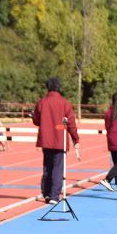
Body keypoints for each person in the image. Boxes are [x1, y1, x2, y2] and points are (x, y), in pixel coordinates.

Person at [32, 77, 80, 205]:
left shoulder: (42, 102)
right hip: (60, 140)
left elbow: (36, 120)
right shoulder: (65, 103)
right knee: (57, 168)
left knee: (47, 167)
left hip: (46, 140)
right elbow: (71, 123)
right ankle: (54, 195)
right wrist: (75, 138)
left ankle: (46, 193)